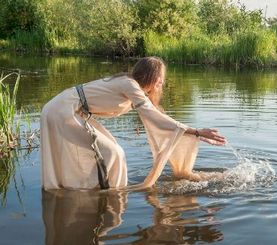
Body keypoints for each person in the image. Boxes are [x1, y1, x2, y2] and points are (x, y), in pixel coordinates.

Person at [40, 56, 227, 190]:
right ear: (153, 79)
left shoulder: (130, 85)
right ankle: (111, 193)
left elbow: (152, 112)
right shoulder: (129, 84)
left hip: (71, 110)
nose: (162, 83)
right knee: (114, 153)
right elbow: (152, 115)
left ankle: (103, 188)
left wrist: (185, 131)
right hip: (63, 110)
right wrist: (195, 131)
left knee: (111, 151)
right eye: (161, 79)